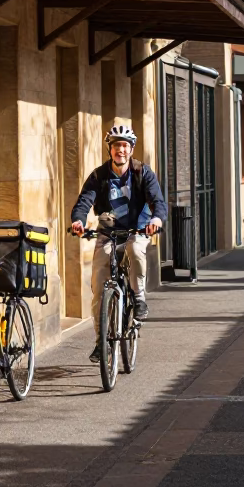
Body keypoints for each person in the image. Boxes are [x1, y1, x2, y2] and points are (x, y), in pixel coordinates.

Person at [70, 125, 167, 364]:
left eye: (124, 146)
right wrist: (78, 221)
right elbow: (84, 201)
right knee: (98, 289)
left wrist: (155, 219)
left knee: (135, 249)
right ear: (110, 150)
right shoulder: (99, 175)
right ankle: (101, 343)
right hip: (108, 233)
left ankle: (139, 298)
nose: (120, 150)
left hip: (138, 229)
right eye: (116, 146)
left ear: (131, 149)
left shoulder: (142, 172)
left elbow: (157, 201)